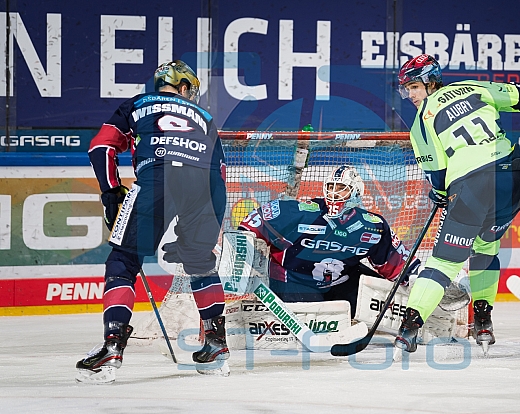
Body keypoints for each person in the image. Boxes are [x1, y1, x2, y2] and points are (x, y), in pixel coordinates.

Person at [76, 60, 228, 382]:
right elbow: (221, 171)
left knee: (123, 260)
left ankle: (113, 345)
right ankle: (216, 343)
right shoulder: (205, 117)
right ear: (185, 88)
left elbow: (100, 146)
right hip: (209, 187)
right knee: (200, 262)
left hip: (158, 177)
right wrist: (196, 235)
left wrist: (111, 194)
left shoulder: (137, 104)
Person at [394, 54, 520, 353]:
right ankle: (483, 320)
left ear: (431, 83)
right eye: (407, 89)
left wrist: (440, 193)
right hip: (513, 178)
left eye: (415, 87)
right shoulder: (474, 88)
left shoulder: (421, 123)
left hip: (472, 184)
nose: (411, 95)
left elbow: (439, 177)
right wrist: (513, 89)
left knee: (444, 261)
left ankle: (409, 328)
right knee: (486, 248)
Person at [238, 165, 419, 317]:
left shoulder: (372, 225)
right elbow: (254, 221)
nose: (334, 193)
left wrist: (417, 281)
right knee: (319, 317)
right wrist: (245, 247)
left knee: (385, 300)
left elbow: (395, 262)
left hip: (341, 281)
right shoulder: (303, 211)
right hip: (295, 280)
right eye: (331, 187)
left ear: (356, 191)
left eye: (341, 188)